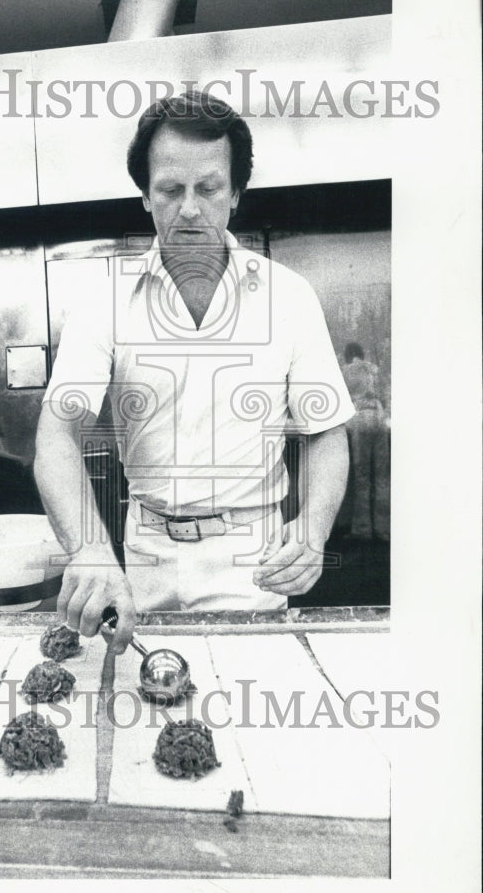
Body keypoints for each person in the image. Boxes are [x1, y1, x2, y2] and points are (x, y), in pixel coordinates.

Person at [34, 90, 355, 652]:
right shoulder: (104, 300)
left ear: (235, 193)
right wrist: (87, 548)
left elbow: (326, 433)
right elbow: (57, 434)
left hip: (252, 559)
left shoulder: (288, 295)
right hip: (144, 554)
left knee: (246, 718)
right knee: (148, 714)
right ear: (145, 196)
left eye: (207, 188)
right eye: (169, 190)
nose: (188, 208)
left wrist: (311, 529)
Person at [341, 342, 390, 540]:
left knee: (362, 477)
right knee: (382, 476)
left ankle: (363, 529)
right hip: (379, 418)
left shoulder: (346, 371)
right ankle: (384, 529)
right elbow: (386, 397)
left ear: (348, 355)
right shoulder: (374, 369)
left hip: (359, 416)